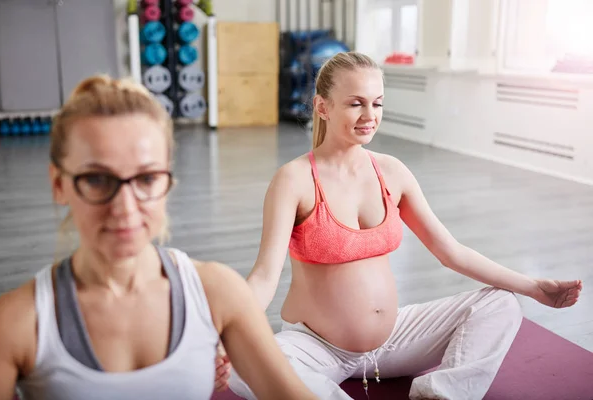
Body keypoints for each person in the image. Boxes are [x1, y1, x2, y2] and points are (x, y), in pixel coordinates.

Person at [219, 52, 583, 400]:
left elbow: (451, 252)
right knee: (244, 369)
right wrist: (225, 331)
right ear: (322, 107)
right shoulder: (294, 179)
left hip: (394, 340)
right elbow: (265, 277)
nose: (369, 115)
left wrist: (535, 287)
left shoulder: (391, 172)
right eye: (355, 103)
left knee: (500, 303)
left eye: (377, 103)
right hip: (315, 347)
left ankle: (441, 395)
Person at [0, 75, 318, 400]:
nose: (125, 208)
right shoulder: (14, 324)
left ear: (168, 182)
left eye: (147, 178)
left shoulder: (219, 293)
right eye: (96, 179)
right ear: (59, 184)